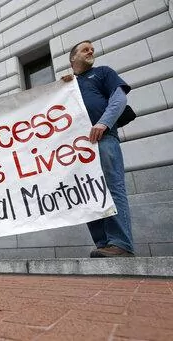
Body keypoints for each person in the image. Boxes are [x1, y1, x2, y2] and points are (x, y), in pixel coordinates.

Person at [63, 40, 134, 257]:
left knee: (112, 188)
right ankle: (103, 243)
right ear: (73, 58)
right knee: (87, 192)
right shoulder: (68, 84)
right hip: (77, 148)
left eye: (92, 49)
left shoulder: (103, 73)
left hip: (103, 139)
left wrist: (104, 122)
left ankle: (120, 243)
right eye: (85, 49)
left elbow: (119, 98)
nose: (91, 51)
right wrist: (63, 87)